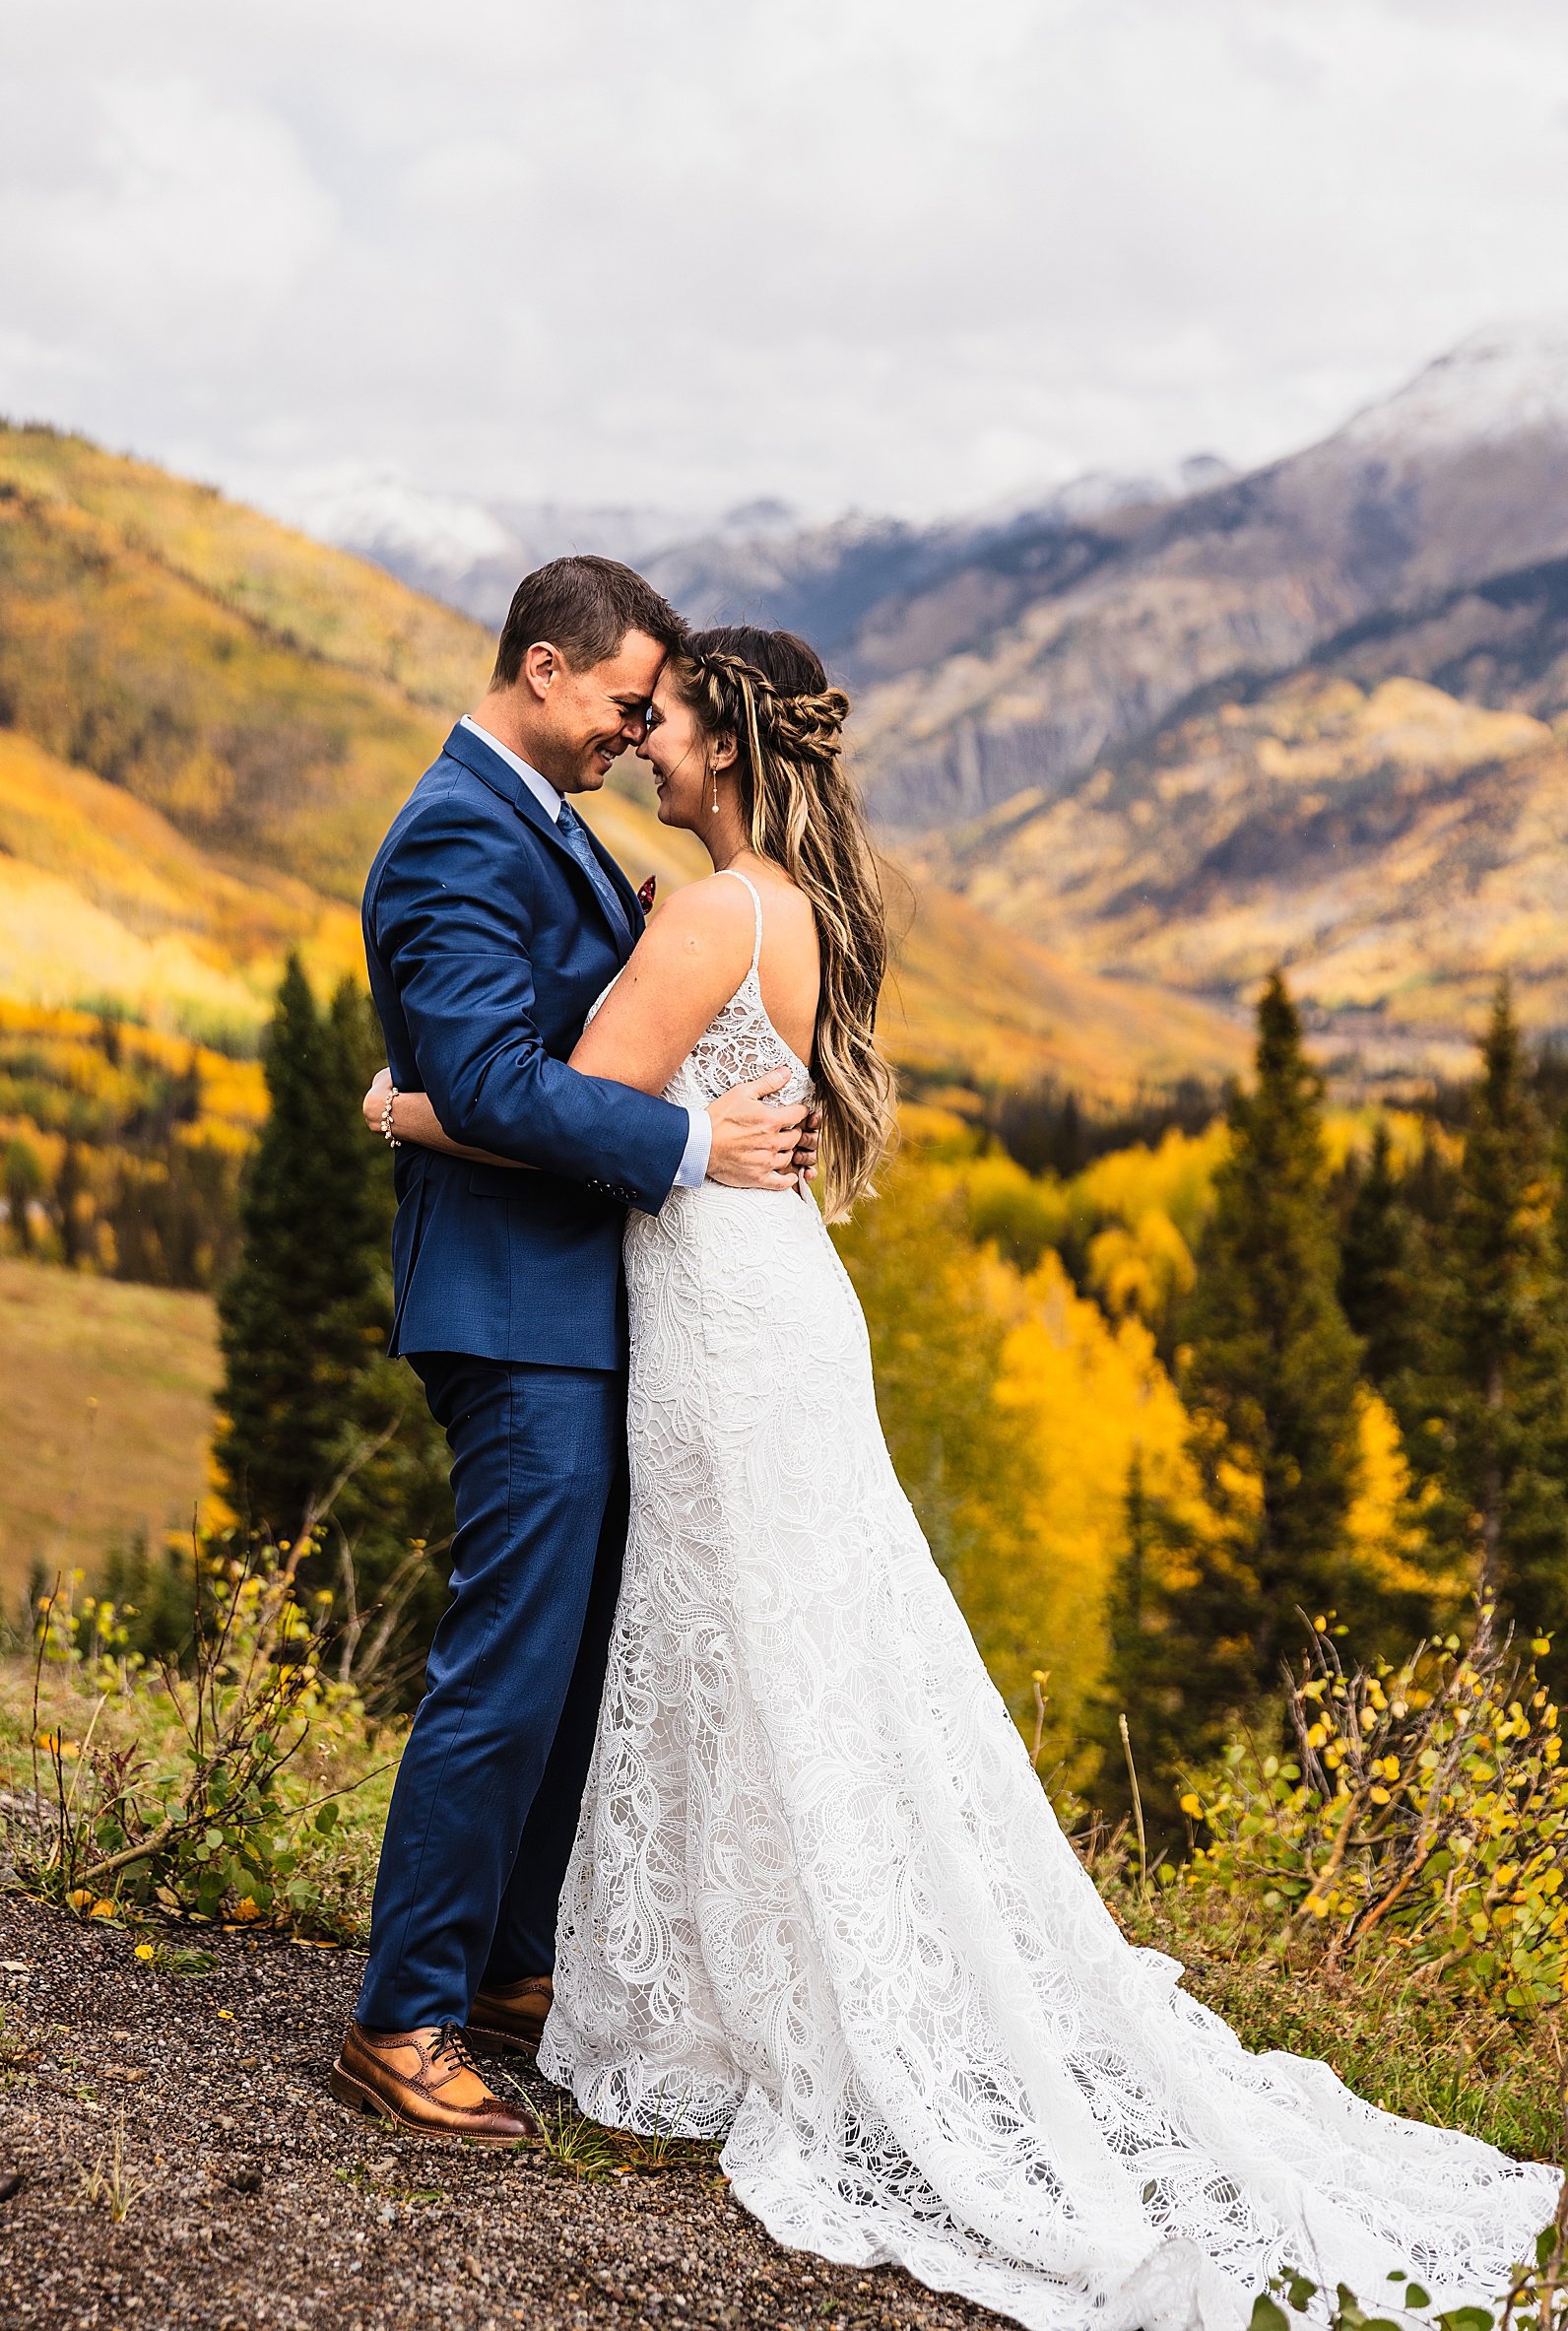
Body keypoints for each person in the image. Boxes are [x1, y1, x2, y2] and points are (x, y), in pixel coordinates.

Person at [374, 619, 1560, 2328]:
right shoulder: (785, 901)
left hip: (719, 1319)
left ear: (726, 742)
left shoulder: (713, 909)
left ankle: (748, 1993)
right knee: (785, 1647)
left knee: (750, 1647)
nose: (644, 743)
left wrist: (407, 1111)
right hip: (771, 1304)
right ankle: (744, 1969)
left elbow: (560, 1099)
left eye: (669, 721)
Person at [330, 558, 811, 2148]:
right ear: (544, 667)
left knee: (585, 1655)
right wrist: (689, 1145)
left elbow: (543, 1037)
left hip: (592, 1306)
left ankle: (506, 1964)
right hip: (515, 1310)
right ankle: (402, 2014)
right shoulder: (459, 831)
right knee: (512, 1660)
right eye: (620, 702)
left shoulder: (552, 822)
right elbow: (481, 1071)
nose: (631, 732)